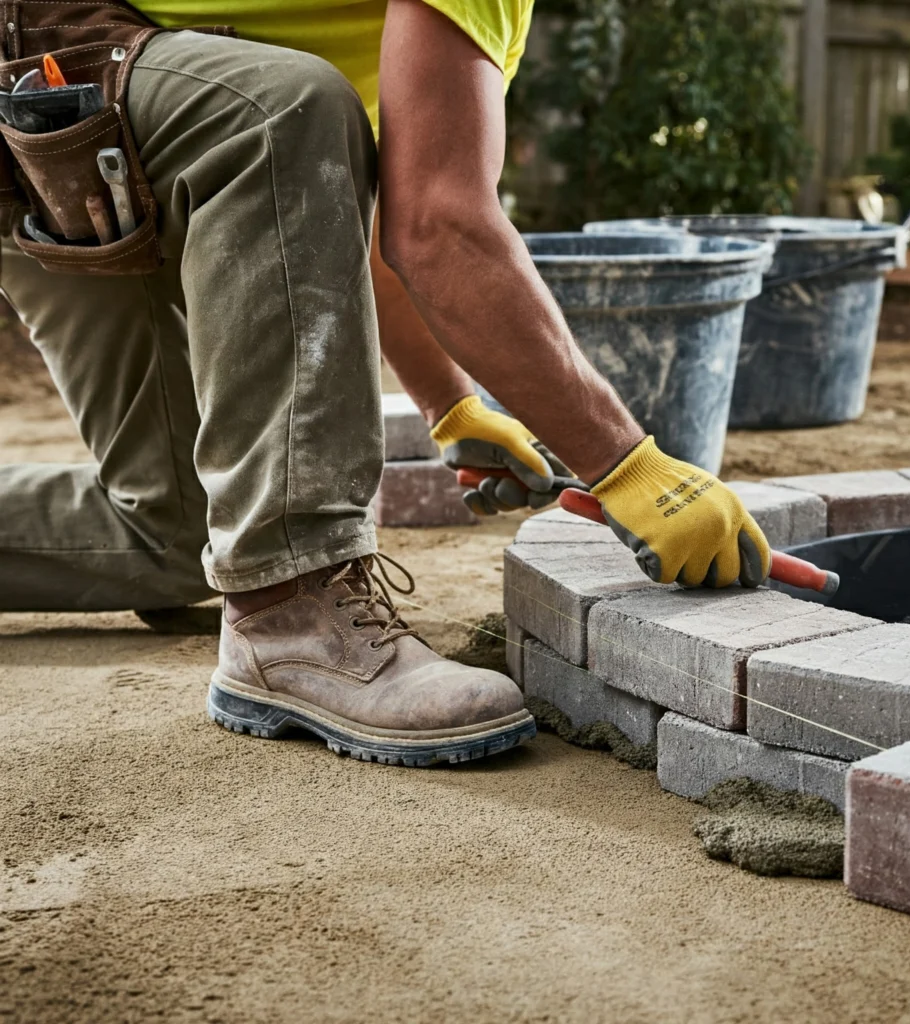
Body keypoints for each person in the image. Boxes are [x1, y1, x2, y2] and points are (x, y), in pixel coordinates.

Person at [0, 0, 770, 766]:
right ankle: (290, 607)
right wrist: (628, 466)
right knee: (280, 108)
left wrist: (451, 404)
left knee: (182, 530)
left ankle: (262, 576)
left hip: (75, 120)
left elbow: (360, 208)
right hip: (46, 68)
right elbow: (438, 225)